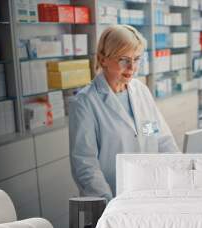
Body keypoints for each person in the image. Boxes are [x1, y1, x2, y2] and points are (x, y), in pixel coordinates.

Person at [69, 24, 179, 201]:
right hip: (114, 198)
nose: (132, 67)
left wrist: (180, 173)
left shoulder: (140, 91)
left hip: (150, 192)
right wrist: (109, 202)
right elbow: (85, 165)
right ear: (103, 59)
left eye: (136, 59)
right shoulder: (85, 102)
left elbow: (159, 138)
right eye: (123, 59)